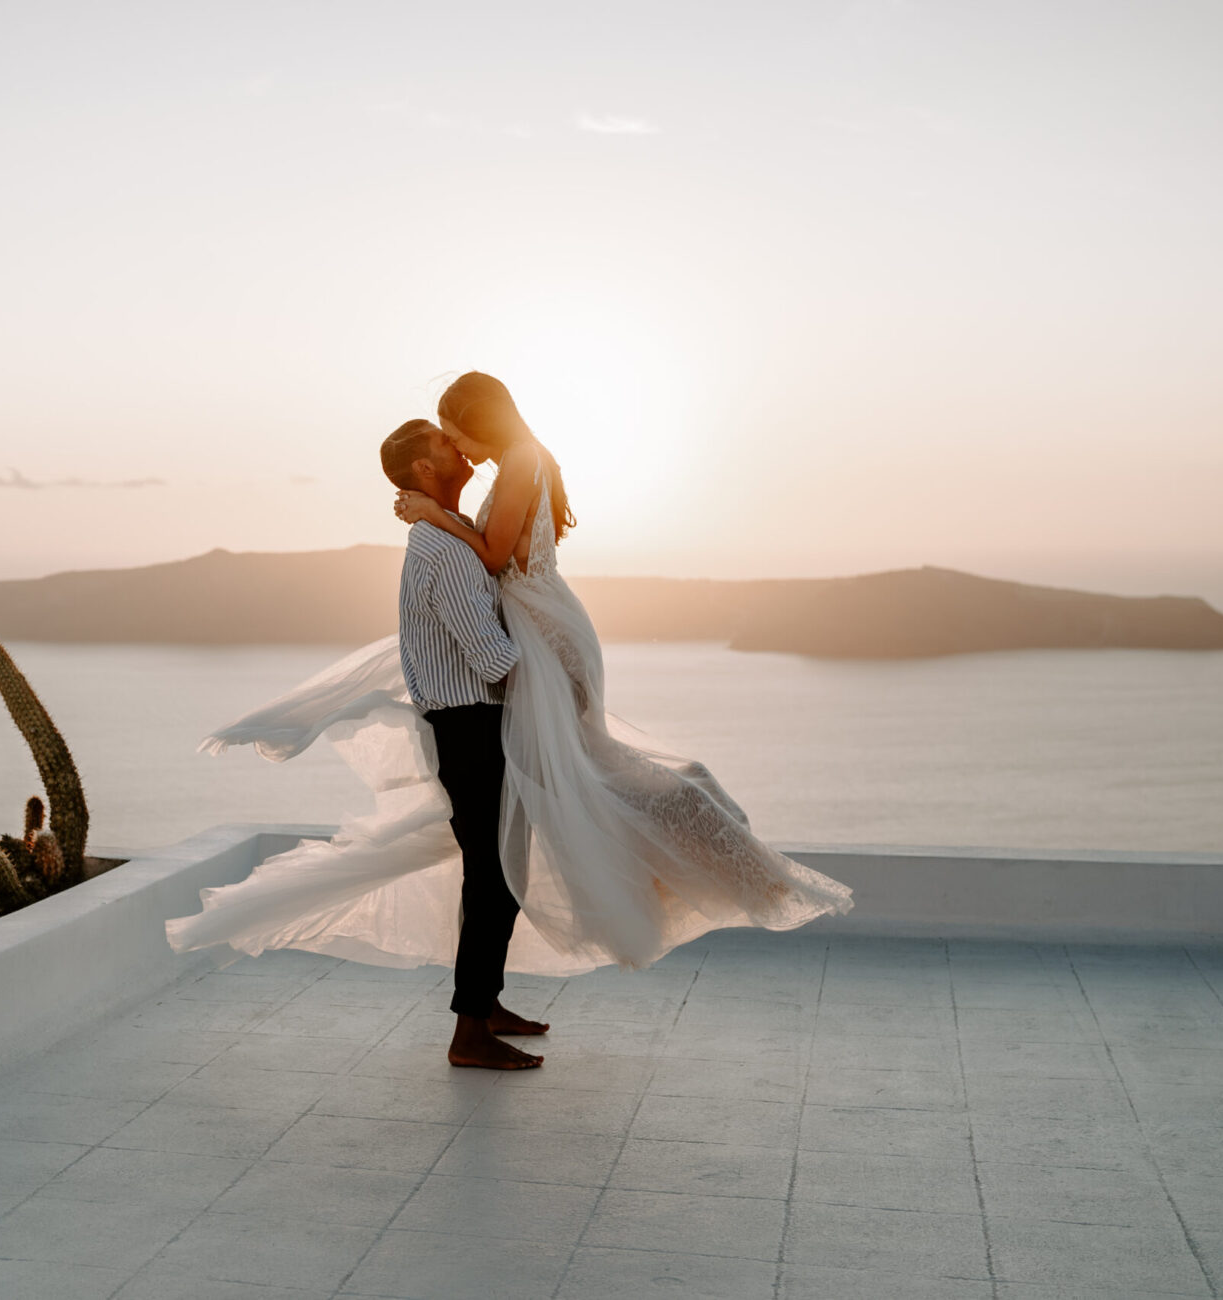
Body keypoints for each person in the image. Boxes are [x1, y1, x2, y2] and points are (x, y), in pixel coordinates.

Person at [167, 375, 852, 1057]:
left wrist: (547, 674)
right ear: (428, 467)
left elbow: (495, 578)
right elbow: (494, 659)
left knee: (514, 860)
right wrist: (547, 680)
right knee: (499, 873)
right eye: (447, 441)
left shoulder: (456, 531)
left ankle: (487, 1007)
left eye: (457, 429)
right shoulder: (447, 549)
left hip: (482, 713)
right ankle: (472, 1027)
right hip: (470, 723)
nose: (461, 448)